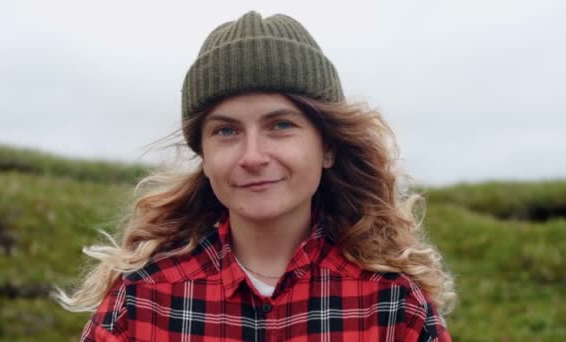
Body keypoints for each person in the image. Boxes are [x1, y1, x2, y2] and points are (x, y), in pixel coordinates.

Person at [55, 10, 455, 341]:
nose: (252, 156)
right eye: (226, 131)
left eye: (280, 125)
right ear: (205, 157)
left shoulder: (391, 305)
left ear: (327, 147)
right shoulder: (144, 299)